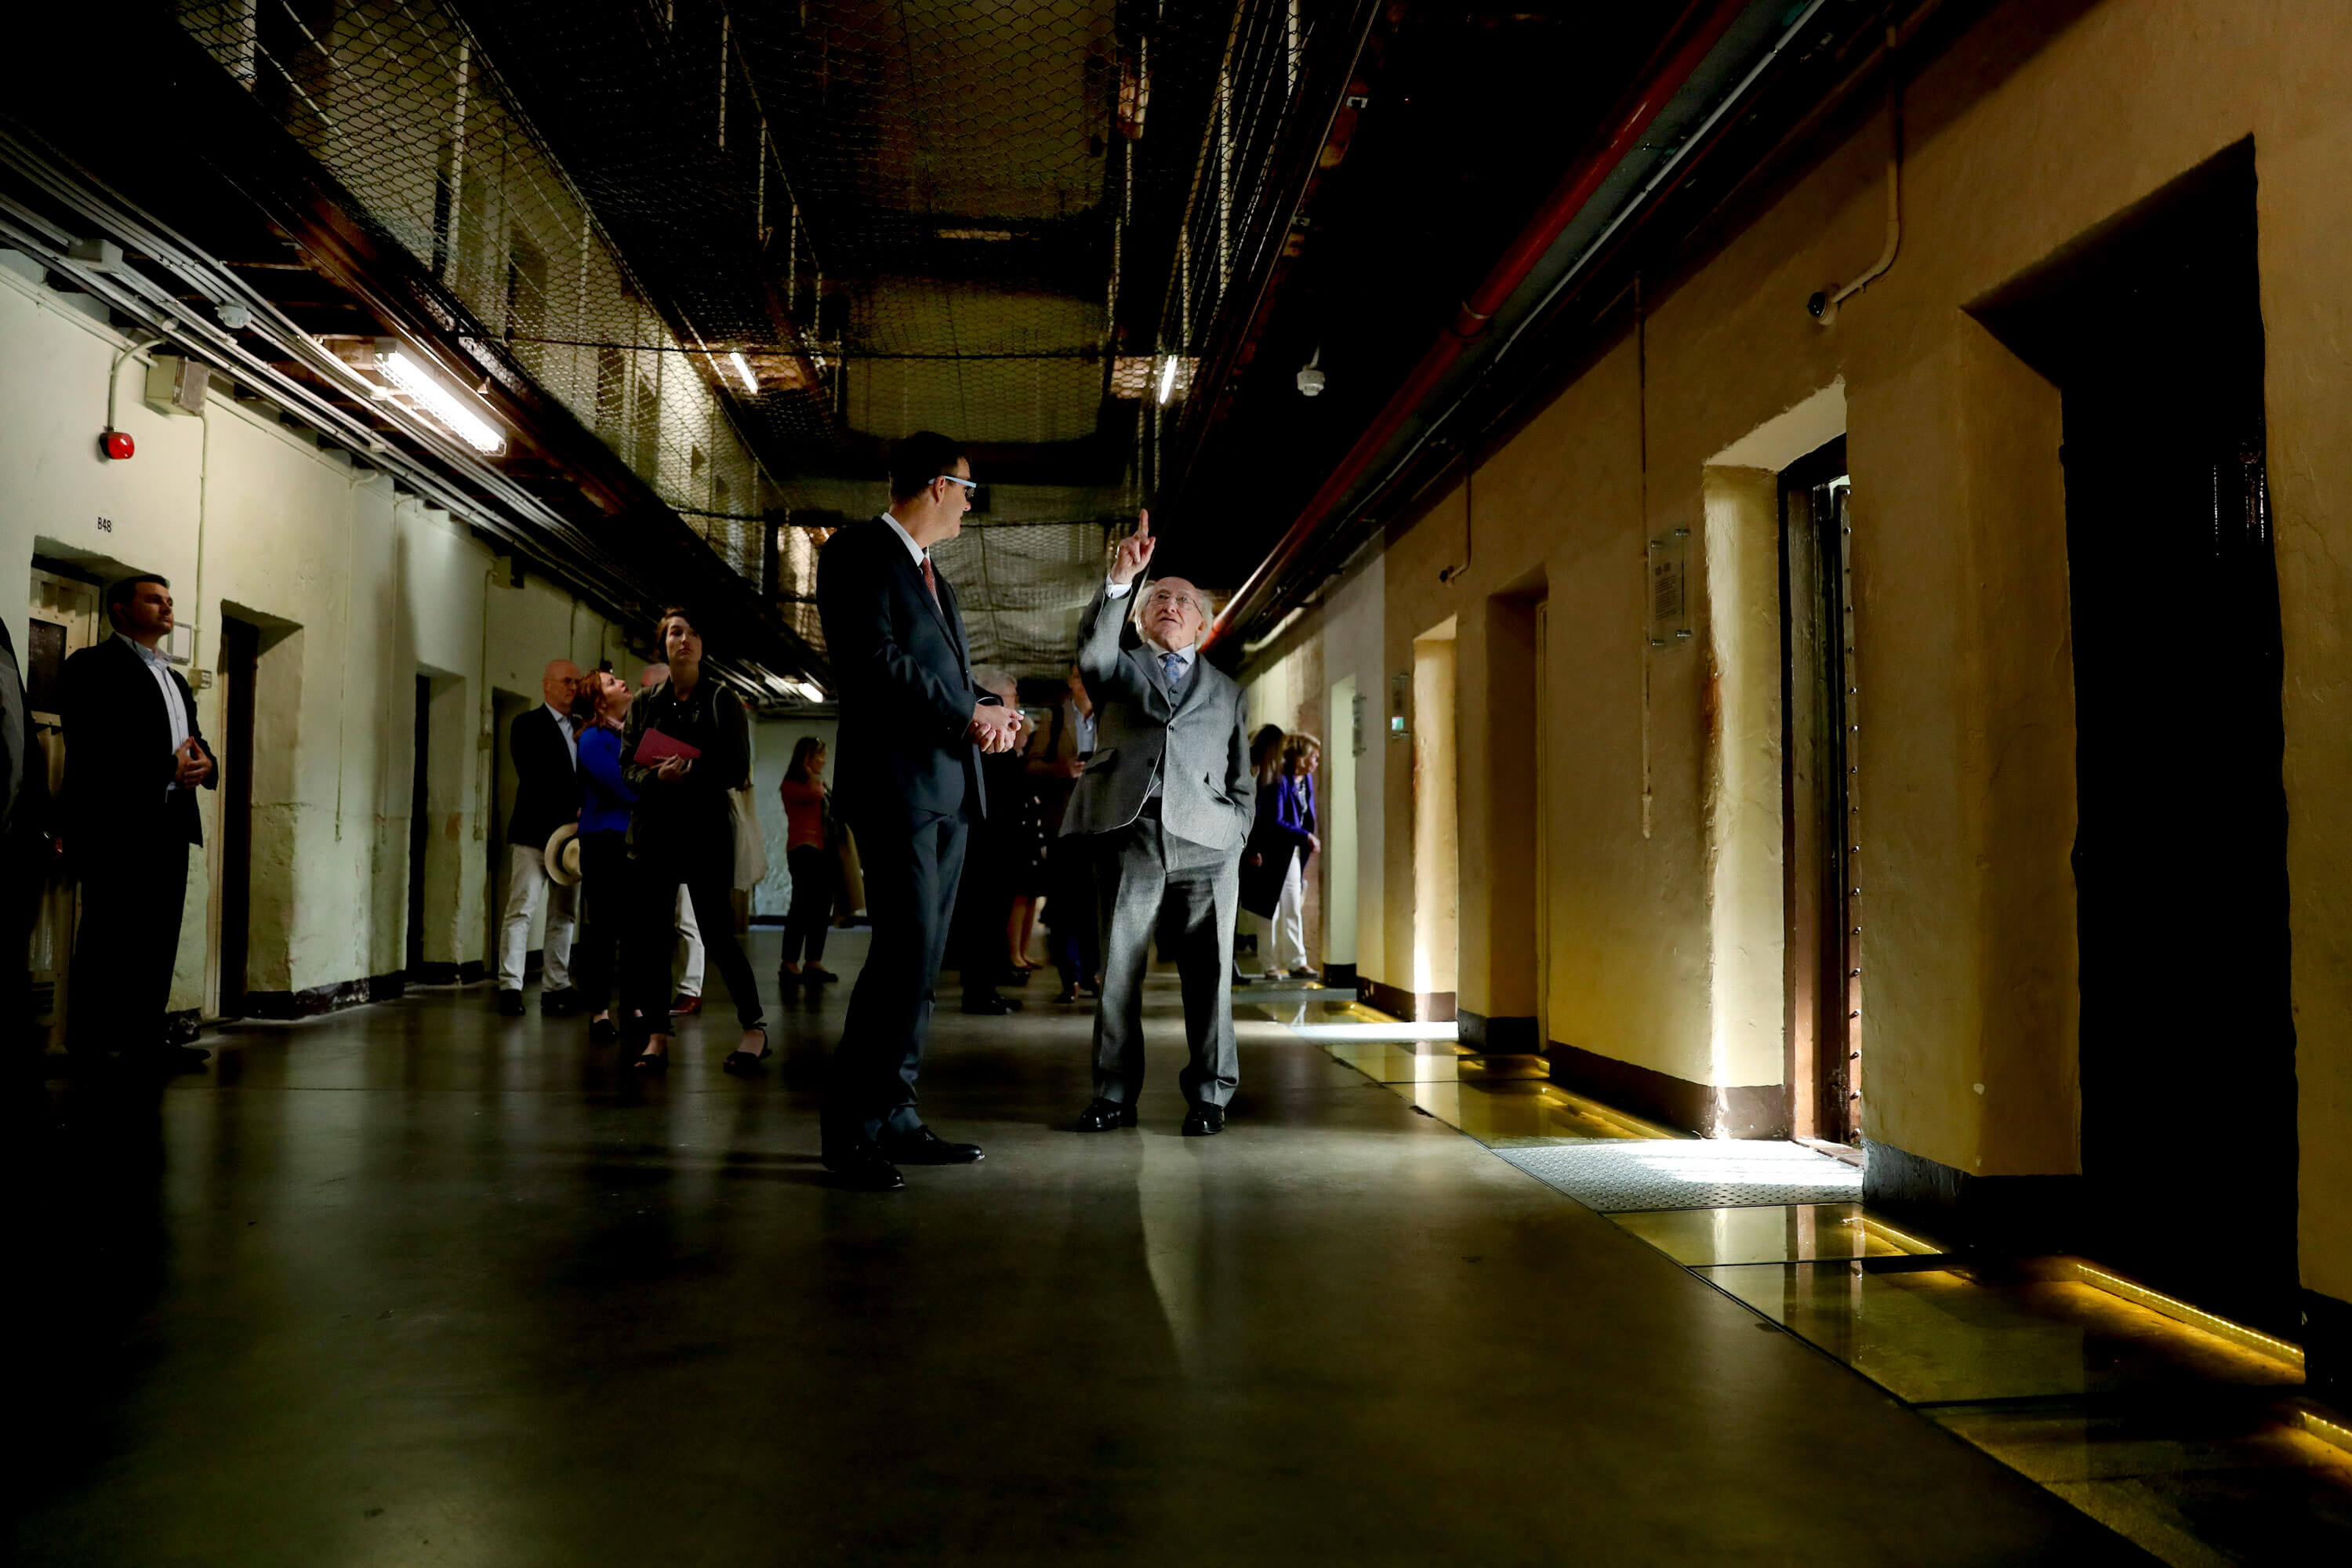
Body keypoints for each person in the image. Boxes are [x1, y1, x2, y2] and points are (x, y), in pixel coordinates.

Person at [815, 430, 1023, 1190]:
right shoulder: (856, 553)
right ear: (938, 484)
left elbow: (944, 680)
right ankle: (851, 1131)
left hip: (947, 791)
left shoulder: (940, 582)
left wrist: (990, 711)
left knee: (925, 961)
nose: (970, 505)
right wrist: (968, 713)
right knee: (900, 956)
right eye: (968, 490)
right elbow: (874, 661)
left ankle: (896, 1112)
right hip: (896, 787)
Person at [1064, 515, 1254, 1136]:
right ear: (1142, 619)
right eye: (1160, 598)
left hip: (1209, 845)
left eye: (1185, 601)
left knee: (1211, 976)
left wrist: (1238, 831)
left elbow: (1242, 775)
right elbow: (1092, 650)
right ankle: (1113, 1094)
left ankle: (1210, 1096)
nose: (1171, 605)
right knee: (1118, 973)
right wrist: (1122, 579)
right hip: (1132, 835)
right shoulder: (1118, 670)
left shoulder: (1227, 691)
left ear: (1202, 624)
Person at [58, 574, 217, 1073]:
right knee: (108, 935)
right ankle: (90, 1045)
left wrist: (206, 764)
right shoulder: (91, 667)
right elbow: (94, 748)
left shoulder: (173, 678)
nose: (167, 607)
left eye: (169, 601)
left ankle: (146, 1041)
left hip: (171, 822)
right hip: (116, 824)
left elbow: (194, 740)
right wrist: (167, 767)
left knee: (158, 938)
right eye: (154, 600)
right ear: (121, 610)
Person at [619, 609, 768, 1075]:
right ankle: (657, 1036)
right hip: (656, 832)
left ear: (702, 647)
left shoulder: (722, 699)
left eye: (693, 633)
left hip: (706, 832)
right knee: (652, 938)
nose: (684, 640)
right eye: (675, 633)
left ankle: (754, 1028)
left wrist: (690, 771)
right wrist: (655, 778)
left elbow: (736, 767)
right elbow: (627, 768)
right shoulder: (644, 703)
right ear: (663, 644)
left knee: (718, 934)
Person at [497, 659, 584, 1017]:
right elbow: (533, 776)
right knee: (522, 910)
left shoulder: (582, 728)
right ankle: (510, 986)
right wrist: (573, 808)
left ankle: (556, 985)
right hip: (534, 835)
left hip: (570, 842)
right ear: (547, 685)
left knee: (565, 914)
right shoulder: (526, 724)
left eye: (577, 682)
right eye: (566, 681)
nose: (573, 687)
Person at [568, 670, 636, 1044]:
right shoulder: (592, 738)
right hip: (604, 839)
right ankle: (599, 1012)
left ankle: (635, 1006)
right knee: (604, 928)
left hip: (632, 838)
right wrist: (659, 786)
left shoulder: (632, 734)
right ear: (600, 702)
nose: (621, 682)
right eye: (611, 683)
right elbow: (620, 786)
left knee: (637, 927)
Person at [1040, 665, 1099, 1004]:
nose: (1085, 683)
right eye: (1078, 677)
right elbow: (1031, 766)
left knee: (1096, 904)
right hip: (1063, 824)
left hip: (1101, 825)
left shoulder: (1111, 717)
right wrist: (1062, 769)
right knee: (1063, 905)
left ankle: (1094, 973)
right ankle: (1070, 977)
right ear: (1070, 682)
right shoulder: (1055, 718)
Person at [776, 736, 839, 985]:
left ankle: (813, 961)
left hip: (823, 850)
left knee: (822, 907)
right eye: (819, 756)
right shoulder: (792, 785)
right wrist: (811, 775)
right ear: (805, 759)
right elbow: (816, 793)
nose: (823, 761)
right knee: (801, 907)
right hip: (803, 850)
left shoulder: (818, 783)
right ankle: (789, 963)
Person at [1268, 732, 1322, 979]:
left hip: (1294, 851)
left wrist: (1305, 838)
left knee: (1293, 905)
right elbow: (1275, 820)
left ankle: (1297, 961)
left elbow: (1307, 814)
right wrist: (1305, 835)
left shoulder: (1305, 780)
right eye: (1314, 757)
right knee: (1270, 909)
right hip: (1275, 849)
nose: (1317, 762)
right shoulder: (1280, 780)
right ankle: (1269, 963)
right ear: (1300, 757)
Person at [1236, 724, 1287, 978]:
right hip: (1238, 842)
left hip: (1245, 843)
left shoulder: (1257, 768)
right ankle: (1228, 966)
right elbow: (1247, 811)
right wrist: (1251, 849)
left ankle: (1230, 966)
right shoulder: (1249, 767)